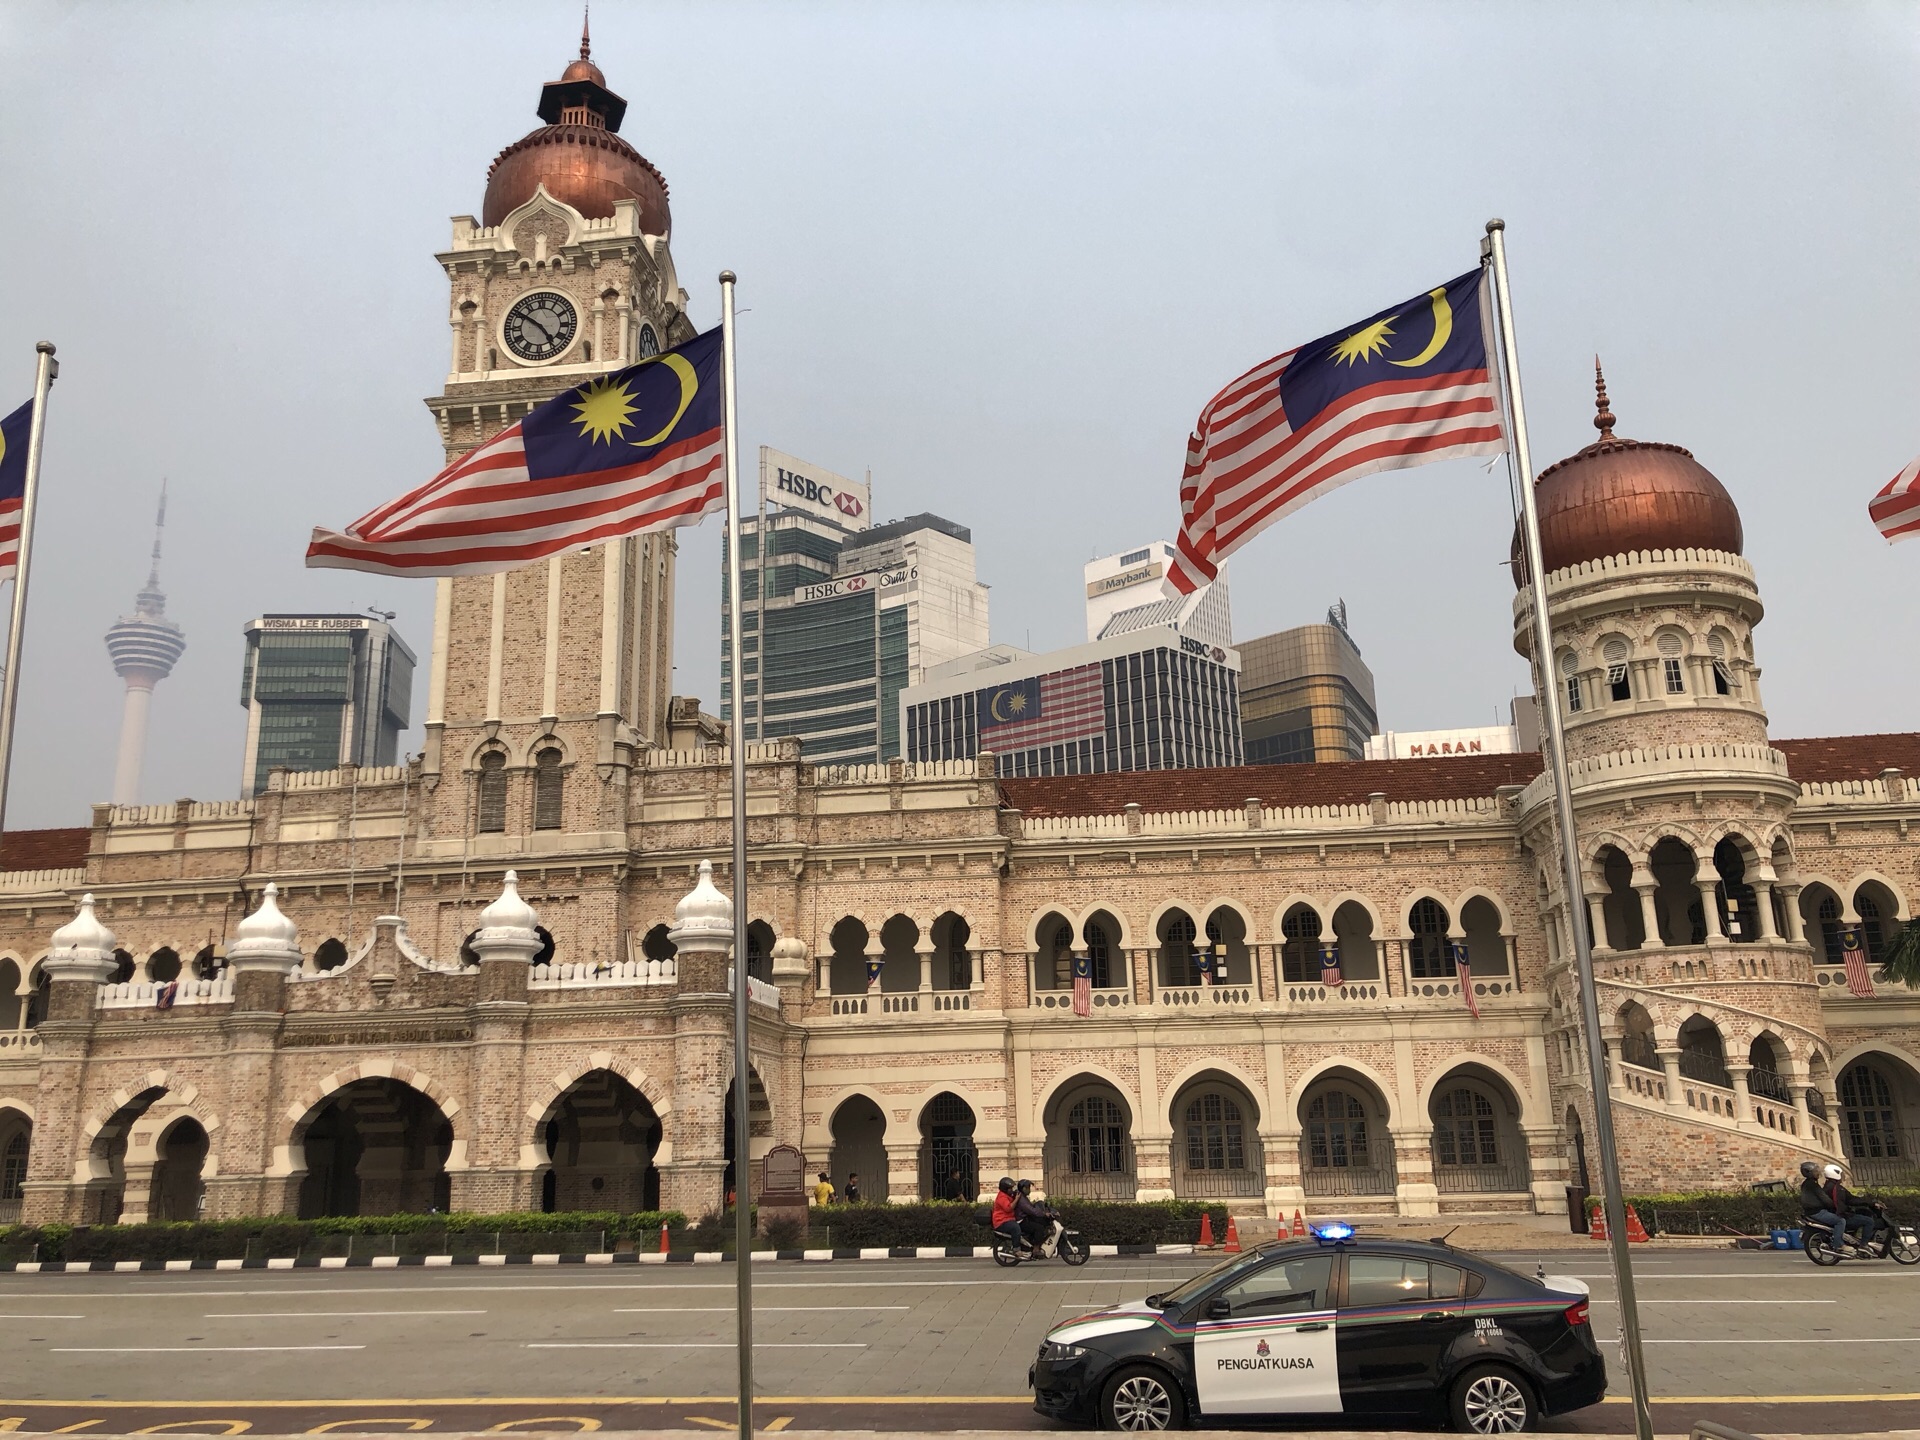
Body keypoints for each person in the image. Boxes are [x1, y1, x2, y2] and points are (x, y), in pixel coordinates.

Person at [1803, 1160, 1874, 1253]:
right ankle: (1842, 1244)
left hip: (1817, 1211)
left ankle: (1853, 1239)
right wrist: (1840, 1209)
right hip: (1817, 1212)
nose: (1818, 1173)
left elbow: (1848, 1199)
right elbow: (1829, 1200)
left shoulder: (1815, 1184)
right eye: (1815, 1171)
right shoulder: (1827, 1187)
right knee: (1841, 1221)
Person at [1014, 1178, 1055, 1254]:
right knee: (1039, 1228)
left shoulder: (1023, 1197)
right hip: (1021, 1221)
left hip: (1026, 1218)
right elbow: (1031, 1210)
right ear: (1023, 1188)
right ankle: (1036, 1249)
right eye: (1028, 1188)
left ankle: (1036, 1241)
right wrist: (1043, 1214)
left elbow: (1032, 1207)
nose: (1029, 1190)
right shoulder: (1021, 1199)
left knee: (1043, 1222)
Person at [990, 1176, 1026, 1253]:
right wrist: (1016, 1199)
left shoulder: (1008, 1195)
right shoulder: (1001, 1197)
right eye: (1010, 1188)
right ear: (1005, 1189)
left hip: (1009, 1219)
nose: (1012, 1190)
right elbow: (1009, 1208)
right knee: (1015, 1228)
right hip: (1001, 1222)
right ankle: (1016, 1249)